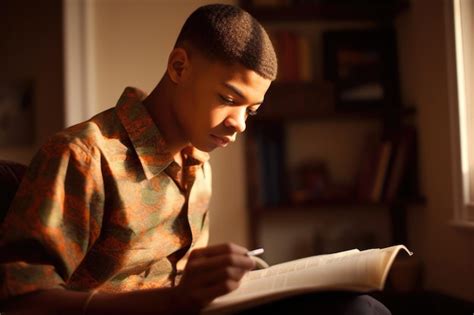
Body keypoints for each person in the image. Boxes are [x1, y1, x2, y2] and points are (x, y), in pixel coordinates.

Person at [0, 4, 390, 315]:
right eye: (229, 99)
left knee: (359, 307)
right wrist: (172, 301)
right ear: (179, 67)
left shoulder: (198, 158)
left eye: (251, 111)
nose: (239, 124)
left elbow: (181, 284)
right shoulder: (84, 156)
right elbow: (23, 303)